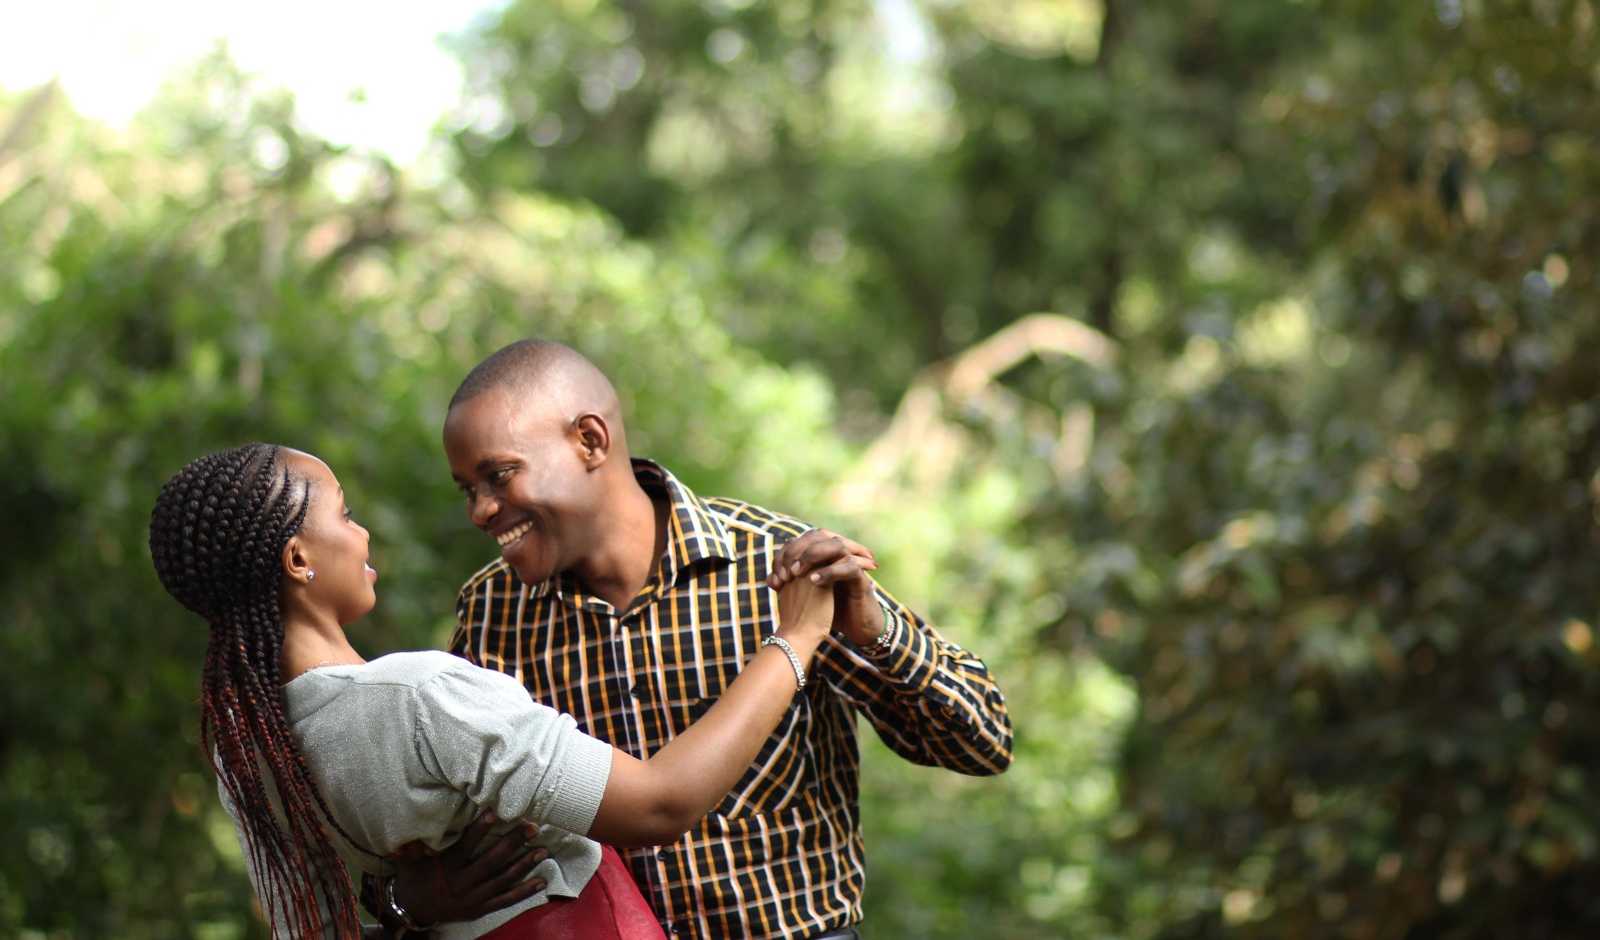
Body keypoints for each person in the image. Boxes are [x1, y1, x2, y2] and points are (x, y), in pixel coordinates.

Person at [390, 339, 1013, 940]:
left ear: (589, 440)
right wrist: (405, 900)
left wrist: (878, 638)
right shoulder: (492, 612)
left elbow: (983, 745)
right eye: (468, 489)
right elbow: (435, 829)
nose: (480, 510)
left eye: (499, 475)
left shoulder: (776, 565)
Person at [149, 442, 871, 940]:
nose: (362, 533)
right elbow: (659, 802)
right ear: (298, 559)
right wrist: (798, 637)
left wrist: (404, 904)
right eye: (343, 512)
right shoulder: (419, 696)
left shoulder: (248, 749)